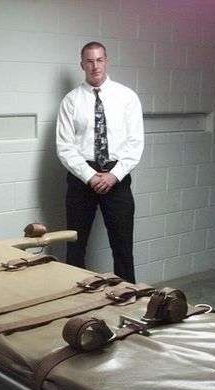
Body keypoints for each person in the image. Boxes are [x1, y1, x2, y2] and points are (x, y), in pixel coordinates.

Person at [56, 41, 144, 283]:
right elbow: (65, 147)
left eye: (99, 60)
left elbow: (135, 143)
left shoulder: (127, 97)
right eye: (89, 61)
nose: (95, 66)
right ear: (82, 64)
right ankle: (75, 303)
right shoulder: (71, 101)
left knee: (123, 246)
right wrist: (90, 176)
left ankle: (128, 297)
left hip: (117, 175)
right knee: (75, 246)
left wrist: (113, 175)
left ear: (107, 61)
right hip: (81, 178)